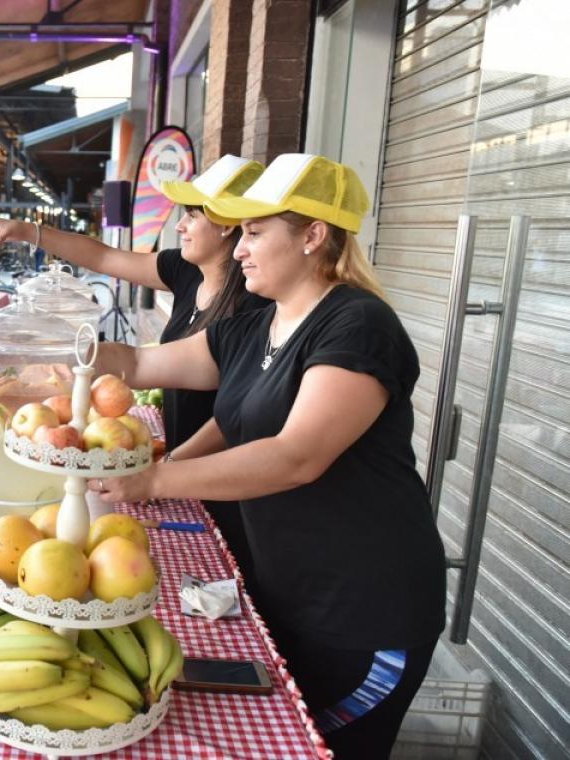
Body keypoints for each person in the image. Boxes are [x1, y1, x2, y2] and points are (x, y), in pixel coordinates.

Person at [88, 154, 446, 758]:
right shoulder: (257, 327)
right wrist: (46, 354)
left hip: (362, 612)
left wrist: (153, 481)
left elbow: (294, 456)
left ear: (313, 235)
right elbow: (140, 363)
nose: (240, 248)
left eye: (254, 232)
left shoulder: (358, 324)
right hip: (289, 590)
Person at [0, 155, 271, 573]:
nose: (180, 226)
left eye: (192, 216)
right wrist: (24, 231)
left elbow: (233, 416)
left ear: (227, 226)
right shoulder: (186, 272)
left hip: (214, 479)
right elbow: (103, 257)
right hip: (174, 468)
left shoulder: (255, 307)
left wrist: (168, 470)